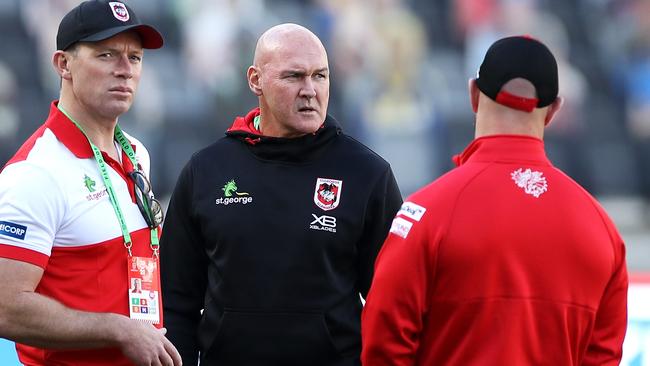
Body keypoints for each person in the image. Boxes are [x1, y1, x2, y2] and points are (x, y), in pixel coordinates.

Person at [361, 35, 628, 365]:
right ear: (554, 110)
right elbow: (604, 356)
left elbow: (382, 344)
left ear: (473, 94)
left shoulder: (427, 212)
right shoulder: (602, 228)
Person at [160, 23, 402, 365]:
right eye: (294, 76)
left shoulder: (367, 174)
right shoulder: (206, 172)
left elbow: (393, 303)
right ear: (255, 79)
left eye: (320, 76)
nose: (310, 90)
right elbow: (175, 301)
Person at [0, 1, 181, 365]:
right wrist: (118, 329)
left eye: (135, 58)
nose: (125, 70)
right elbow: (5, 307)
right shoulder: (36, 172)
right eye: (107, 55)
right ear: (63, 65)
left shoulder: (136, 153)